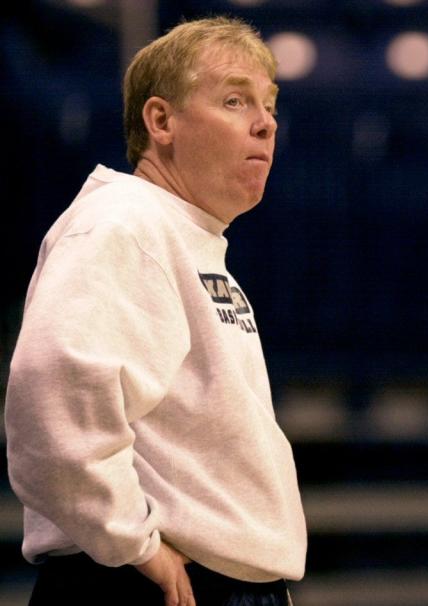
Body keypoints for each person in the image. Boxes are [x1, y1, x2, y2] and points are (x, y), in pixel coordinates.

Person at [4, 16, 306, 606]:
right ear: (161, 121)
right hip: (146, 584)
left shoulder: (179, 235)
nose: (266, 123)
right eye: (235, 100)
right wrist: (135, 547)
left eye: (268, 104)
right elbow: (50, 387)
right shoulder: (124, 223)